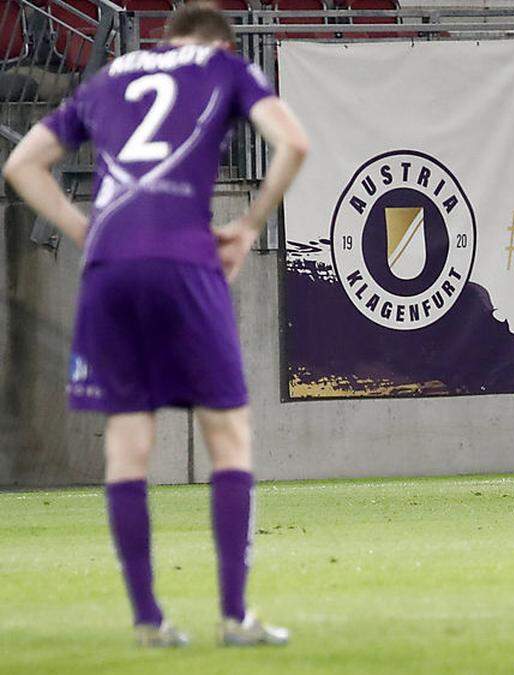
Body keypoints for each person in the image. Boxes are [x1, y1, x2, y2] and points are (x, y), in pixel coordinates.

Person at [2, 2, 308, 647]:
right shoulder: (226, 69)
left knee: (127, 444)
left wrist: (85, 229)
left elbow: (21, 163)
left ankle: (148, 621)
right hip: (184, 259)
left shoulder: (108, 78)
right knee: (227, 433)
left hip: (110, 266)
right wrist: (249, 225)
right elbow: (294, 143)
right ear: (221, 45)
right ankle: (234, 616)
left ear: (165, 41)